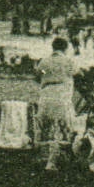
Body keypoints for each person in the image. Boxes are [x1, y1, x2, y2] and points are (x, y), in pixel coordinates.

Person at [36, 38, 78, 171]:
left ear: (53, 48)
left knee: (45, 127)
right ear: (65, 48)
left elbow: (39, 74)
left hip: (46, 96)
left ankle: (42, 156)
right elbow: (76, 73)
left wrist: (48, 77)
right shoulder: (68, 61)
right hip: (62, 97)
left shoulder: (44, 61)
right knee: (62, 129)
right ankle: (54, 161)